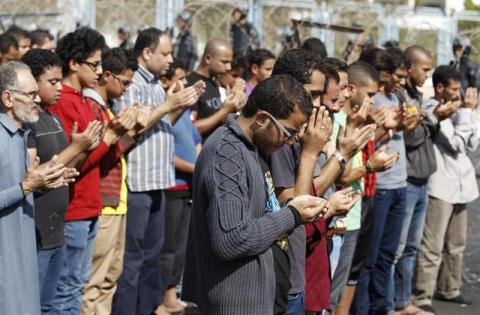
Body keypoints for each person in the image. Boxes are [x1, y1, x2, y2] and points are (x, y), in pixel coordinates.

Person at [182, 74, 330, 315]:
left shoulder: (254, 149)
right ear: (262, 119)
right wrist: (292, 215)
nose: (290, 140)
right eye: (288, 132)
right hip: (236, 304)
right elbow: (232, 240)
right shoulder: (226, 154)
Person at [111, 27, 204, 315]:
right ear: (146, 53)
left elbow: (160, 124)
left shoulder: (154, 84)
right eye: (164, 53)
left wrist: (177, 105)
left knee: (154, 256)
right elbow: (133, 127)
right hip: (138, 181)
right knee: (133, 260)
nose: (170, 59)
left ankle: (148, 308)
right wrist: (167, 104)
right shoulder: (133, 83)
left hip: (158, 179)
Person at [49, 27, 132, 314]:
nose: (99, 71)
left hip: (90, 206)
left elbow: (98, 153)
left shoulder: (84, 100)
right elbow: (75, 163)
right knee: (68, 289)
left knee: (80, 283)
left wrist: (120, 134)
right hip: (73, 208)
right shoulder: (65, 102)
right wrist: (109, 137)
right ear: (74, 64)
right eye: (94, 65)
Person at [21, 48, 102, 315]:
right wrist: (76, 147)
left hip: (58, 228)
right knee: (41, 305)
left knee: (59, 298)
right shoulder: (28, 123)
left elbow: (67, 166)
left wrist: (85, 147)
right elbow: (36, 174)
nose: (59, 87)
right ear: (33, 82)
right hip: (39, 233)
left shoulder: (52, 116)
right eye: (52, 82)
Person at [0, 60, 75, 315]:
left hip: (25, 253)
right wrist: (25, 187)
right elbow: (18, 188)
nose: (36, 100)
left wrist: (46, 181)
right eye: (30, 95)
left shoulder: (21, 134)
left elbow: (22, 187)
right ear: (8, 98)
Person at [353, 48, 421, 315]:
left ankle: (383, 308)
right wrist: (391, 127)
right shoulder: (371, 101)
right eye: (395, 75)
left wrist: (407, 124)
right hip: (377, 186)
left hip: (398, 183)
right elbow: (366, 142)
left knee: (388, 256)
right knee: (368, 259)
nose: (399, 81)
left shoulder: (395, 96)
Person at [80, 47, 145, 315]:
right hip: (103, 204)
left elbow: (113, 152)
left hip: (116, 202)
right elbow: (98, 158)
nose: (128, 89)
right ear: (107, 75)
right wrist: (122, 132)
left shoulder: (107, 108)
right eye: (126, 81)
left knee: (111, 276)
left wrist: (132, 132)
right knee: (93, 280)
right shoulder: (93, 108)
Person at [413, 65, 479, 312]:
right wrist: (466, 115)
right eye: (453, 89)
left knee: (456, 244)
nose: (458, 93)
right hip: (441, 187)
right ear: (440, 88)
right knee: (432, 246)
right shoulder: (433, 110)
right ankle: (423, 296)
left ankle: (450, 288)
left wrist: (469, 114)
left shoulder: (461, 111)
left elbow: (471, 144)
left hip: (462, 184)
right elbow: (454, 142)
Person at [156, 61, 201, 314]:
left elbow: (196, 143)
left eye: (185, 79)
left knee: (181, 245)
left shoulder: (185, 113)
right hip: (172, 186)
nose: (183, 85)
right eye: (179, 80)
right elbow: (166, 152)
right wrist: (194, 168)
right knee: (168, 245)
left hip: (188, 187)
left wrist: (201, 163)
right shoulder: (166, 113)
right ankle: (162, 296)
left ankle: (172, 295)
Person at [187, 38, 246, 138]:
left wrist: (234, 105)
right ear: (208, 59)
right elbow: (190, 128)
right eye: (224, 62)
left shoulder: (214, 83)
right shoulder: (191, 83)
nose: (228, 68)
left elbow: (217, 120)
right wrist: (224, 111)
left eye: (229, 63)